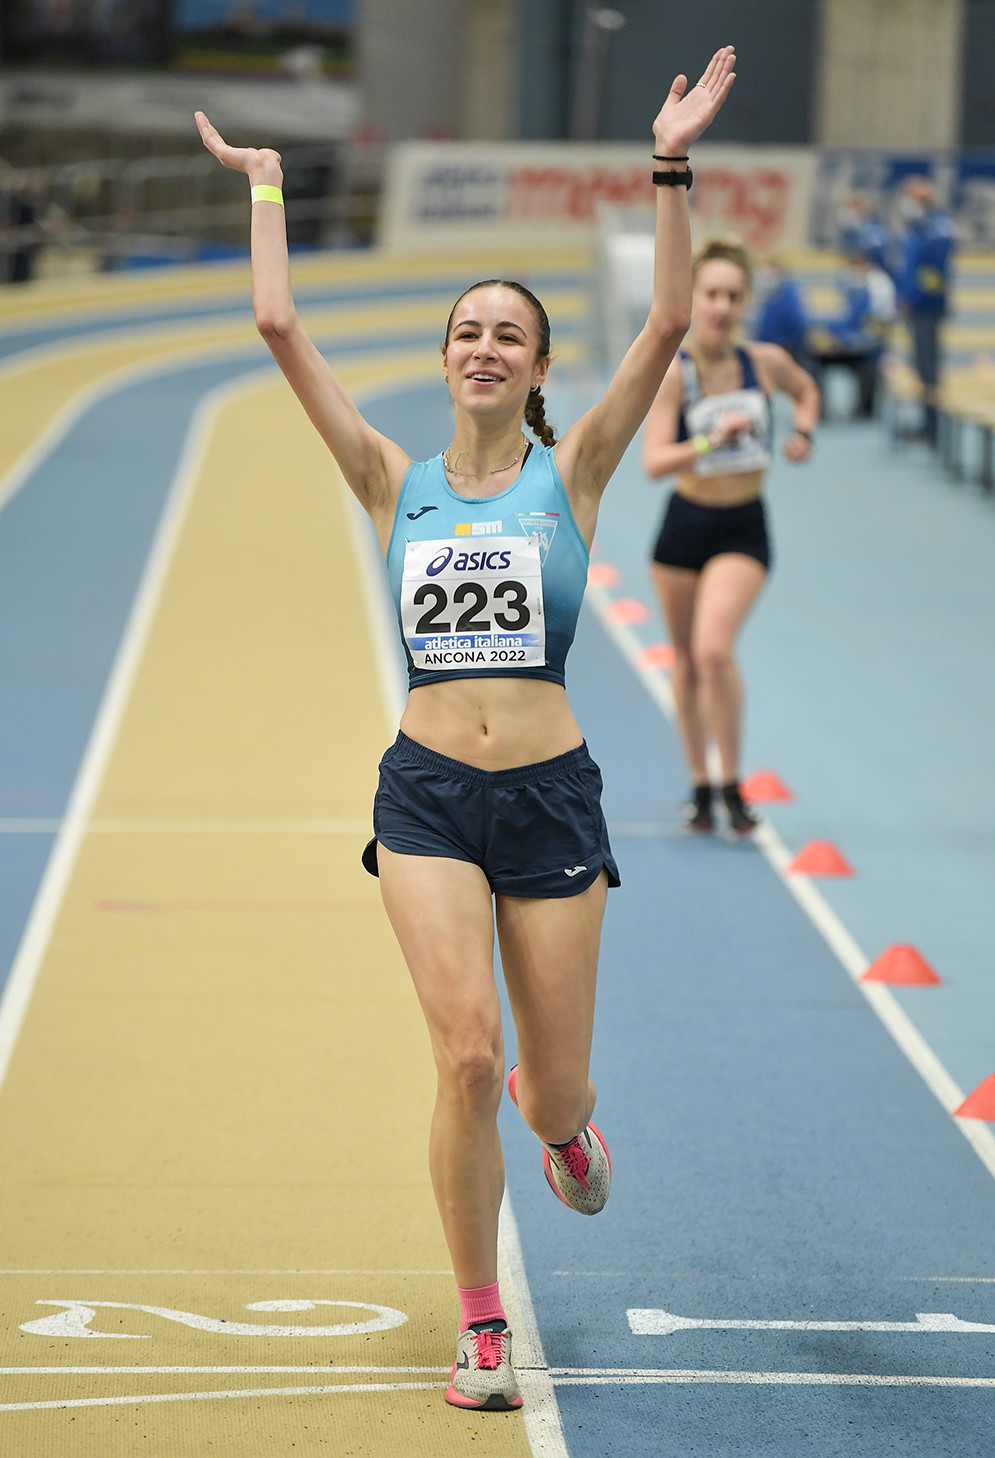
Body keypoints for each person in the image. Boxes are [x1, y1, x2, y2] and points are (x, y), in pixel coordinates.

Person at [195, 44, 736, 1414]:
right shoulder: (390, 480)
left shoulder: (577, 470)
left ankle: (566, 1132)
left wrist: (668, 163)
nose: (483, 347)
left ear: (536, 365)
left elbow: (669, 321)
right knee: (465, 1057)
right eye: (466, 331)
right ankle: (481, 1322)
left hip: (549, 798)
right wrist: (266, 188)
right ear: (442, 360)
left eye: (508, 333)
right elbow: (278, 329)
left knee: (545, 1092)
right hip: (427, 795)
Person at [642, 238, 819, 836]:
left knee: (714, 650)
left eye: (733, 296)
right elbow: (653, 462)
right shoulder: (675, 373)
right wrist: (709, 442)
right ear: (693, 298)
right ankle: (700, 784)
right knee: (687, 662)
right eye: (711, 294)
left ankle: (732, 783)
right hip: (684, 527)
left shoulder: (764, 362)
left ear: (746, 303)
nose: (721, 306)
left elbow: (807, 390)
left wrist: (803, 433)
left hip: (743, 526)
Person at [895, 175, 956, 445]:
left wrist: (913, 298)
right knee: (920, 367)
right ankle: (927, 422)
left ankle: (933, 428)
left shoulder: (937, 229)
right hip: (916, 308)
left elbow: (932, 276)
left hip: (926, 309)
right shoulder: (918, 229)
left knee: (929, 368)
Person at [808, 249, 896, 418]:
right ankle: (818, 409)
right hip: (845, 346)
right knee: (813, 360)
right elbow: (845, 321)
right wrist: (828, 333)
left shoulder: (876, 290)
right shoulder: (856, 292)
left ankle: (865, 410)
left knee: (868, 367)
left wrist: (844, 343)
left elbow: (872, 331)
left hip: (864, 350)